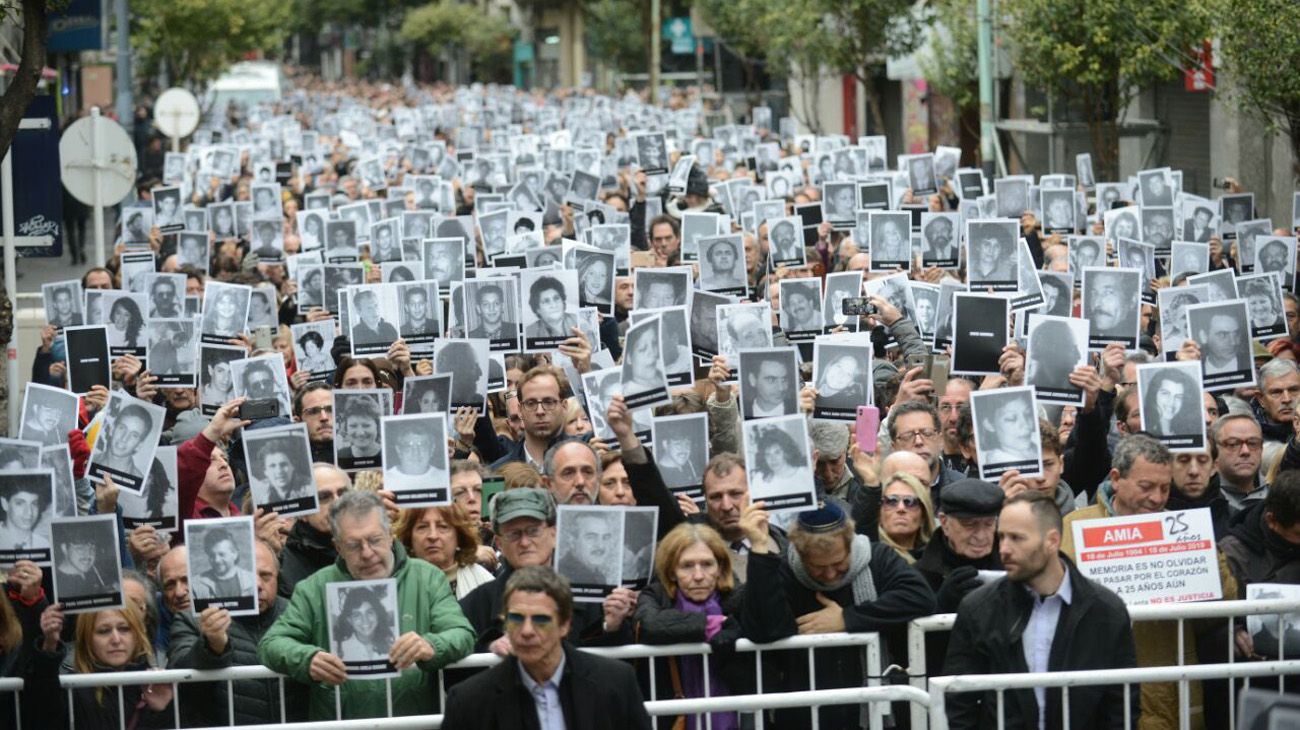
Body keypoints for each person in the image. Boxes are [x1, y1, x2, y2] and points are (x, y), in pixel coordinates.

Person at [259, 491, 474, 719]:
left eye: (374, 540)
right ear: (338, 547)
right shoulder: (314, 588)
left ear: (390, 535)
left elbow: (462, 634)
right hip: (341, 720)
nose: (367, 553)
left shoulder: (427, 578)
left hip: (412, 720)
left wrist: (432, 645)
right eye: (353, 545)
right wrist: (306, 659)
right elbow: (271, 644)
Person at [943, 492, 1139, 730]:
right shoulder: (979, 608)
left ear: (1052, 541)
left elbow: (1121, 704)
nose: (1004, 549)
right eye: (1002, 536)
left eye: (1017, 538)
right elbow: (959, 702)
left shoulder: (1106, 610)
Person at [740, 500, 935, 729]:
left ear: (850, 544)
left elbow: (921, 598)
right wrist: (760, 550)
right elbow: (763, 628)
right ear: (801, 555)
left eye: (839, 563)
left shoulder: (877, 558)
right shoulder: (786, 571)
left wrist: (848, 619)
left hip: (871, 714)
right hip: (805, 715)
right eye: (819, 568)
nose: (831, 574)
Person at [441, 566, 653, 729]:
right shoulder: (469, 701)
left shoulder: (616, 684)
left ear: (564, 624)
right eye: (516, 619)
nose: (526, 631)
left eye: (540, 620)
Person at [458, 488, 635, 653]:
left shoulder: (591, 592)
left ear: (554, 534)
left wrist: (612, 627)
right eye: (514, 534)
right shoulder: (477, 604)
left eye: (533, 531)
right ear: (499, 543)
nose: (525, 542)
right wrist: (489, 647)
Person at [168, 539, 304, 725]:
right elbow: (179, 676)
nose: (256, 584)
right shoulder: (193, 618)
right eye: (248, 575)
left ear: (277, 577)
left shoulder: (299, 613)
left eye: (265, 576)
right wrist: (211, 647)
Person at [634, 523, 750, 730]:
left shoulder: (735, 596)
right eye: (687, 566)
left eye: (707, 564)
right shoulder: (656, 595)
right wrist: (712, 624)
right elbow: (649, 624)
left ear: (720, 567)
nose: (698, 576)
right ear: (671, 572)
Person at [28, 604, 176, 730]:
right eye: (104, 631)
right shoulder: (74, 691)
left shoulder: (156, 683)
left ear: (137, 634)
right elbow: (43, 711)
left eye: (124, 629)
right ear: (87, 638)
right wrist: (49, 646)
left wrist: (161, 710)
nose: (116, 640)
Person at [395, 504, 494, 599]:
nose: (433, 536)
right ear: (409, 538)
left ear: (459, 537)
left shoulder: (484, 582)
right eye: (422, 527)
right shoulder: (397, 585)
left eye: (443, 527)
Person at [877, 472, 935, 563]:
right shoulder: (870, 558)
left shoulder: (937, 561)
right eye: (892, 501)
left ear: (923, 515)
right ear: (879, 514)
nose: (901, 508)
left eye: (910, 502)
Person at [556, 510, 620, 585]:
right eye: (591, 537)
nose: (600, 545)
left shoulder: (599, 577)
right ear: (572, 541)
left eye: (605, 538)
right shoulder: (561, 575)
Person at [193, 527, 255, 601]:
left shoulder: (252, 580)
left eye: (221, 554)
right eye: (212, 555)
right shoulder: (196, 584)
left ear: (235, 554)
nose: (217, 560)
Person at [976, 393, 1038, 465]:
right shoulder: (997, 462)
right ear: (989, 425)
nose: (1025, 424)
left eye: (1028, 414)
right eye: (1011, 419)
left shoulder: (1038, 439)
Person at [95, 403, 152, 479]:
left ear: (139, 445)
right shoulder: (88, 461)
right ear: (112, 429)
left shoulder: (140, 482)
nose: (124, 438)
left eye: (134, 435)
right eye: (122, 428)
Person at [1142, 367, 1202, 438]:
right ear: (1154, 394)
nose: (1171, 402)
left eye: (1178, 397)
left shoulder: (1188, 430)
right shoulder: (1145, 430)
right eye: (1165, 393)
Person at [384, 421, 445, 489]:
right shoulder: (384, 480)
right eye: (408, 446)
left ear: (432, 449)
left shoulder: (445, 478)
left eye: (422, 445)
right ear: (399, 450)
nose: (416, 452)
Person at [252, 439, 312, 506]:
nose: (279, 471)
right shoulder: (259, 492)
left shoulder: (309, 487)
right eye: (272, 466)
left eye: (283, 464)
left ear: (293, 466)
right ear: (265, 471)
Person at [1026, 319, 1081, 391]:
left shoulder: (1078, 392)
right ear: (1045, 351)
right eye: (1071, 349)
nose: (1079, 356)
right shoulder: (1020, 388)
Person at [1193, 308, 1249, 375]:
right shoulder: (1195, 370)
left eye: (1236, 334)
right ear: (1204, 336)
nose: (1233, 342)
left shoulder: (1249, 365)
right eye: (1223, 335)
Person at [0, 479, 50, 551]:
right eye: (20, 503)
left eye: (34, 504)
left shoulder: (44, 544)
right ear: (5, 504)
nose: (29, 512)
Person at [743, 352, 796, 418]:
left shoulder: (797, 409)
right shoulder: (741, 411)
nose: (781, 388)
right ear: (753, 380)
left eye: (784, 379)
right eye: (771, 380)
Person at [622, 322, 665, 394]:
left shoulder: (665, 378)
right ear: (629, 358)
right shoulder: (624, 393)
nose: (652, 352)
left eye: (654, 343)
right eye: (642, 348)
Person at [338, 396, 383, 464]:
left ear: (377, 426)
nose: (360, 433)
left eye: (366, 425)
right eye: (353, 426)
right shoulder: (340, 456)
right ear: (346, 428)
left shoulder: (388, 454)